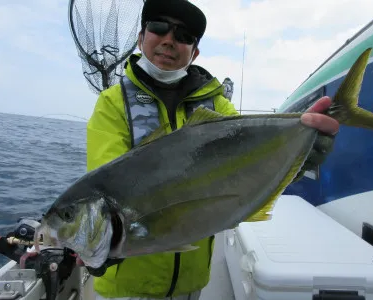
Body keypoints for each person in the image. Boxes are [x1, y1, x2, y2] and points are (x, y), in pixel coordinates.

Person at [85, 0, 339, 299]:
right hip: (125, 287)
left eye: (184, 36)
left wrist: (300, 159)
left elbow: (249, 171)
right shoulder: (114, 103)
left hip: (192, 284)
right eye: (159, 27)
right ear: (141, 38)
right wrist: (98, 242)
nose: (169, 40)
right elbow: (110, 188)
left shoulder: (217, 105)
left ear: (194, 52)